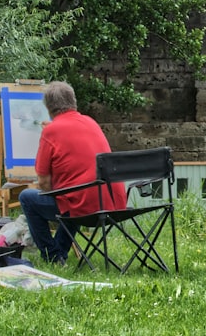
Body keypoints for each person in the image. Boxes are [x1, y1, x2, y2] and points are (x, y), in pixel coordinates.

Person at [18, 81, 126, 263]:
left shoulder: (50, 131)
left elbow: (44, 184)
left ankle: (52, 256)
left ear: (49, 108)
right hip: (114, 204)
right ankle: (60, 252)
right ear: (73, 102)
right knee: (72, 194)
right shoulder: (91, 122)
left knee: (27, 198)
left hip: (85, 208)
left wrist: (50, 132)